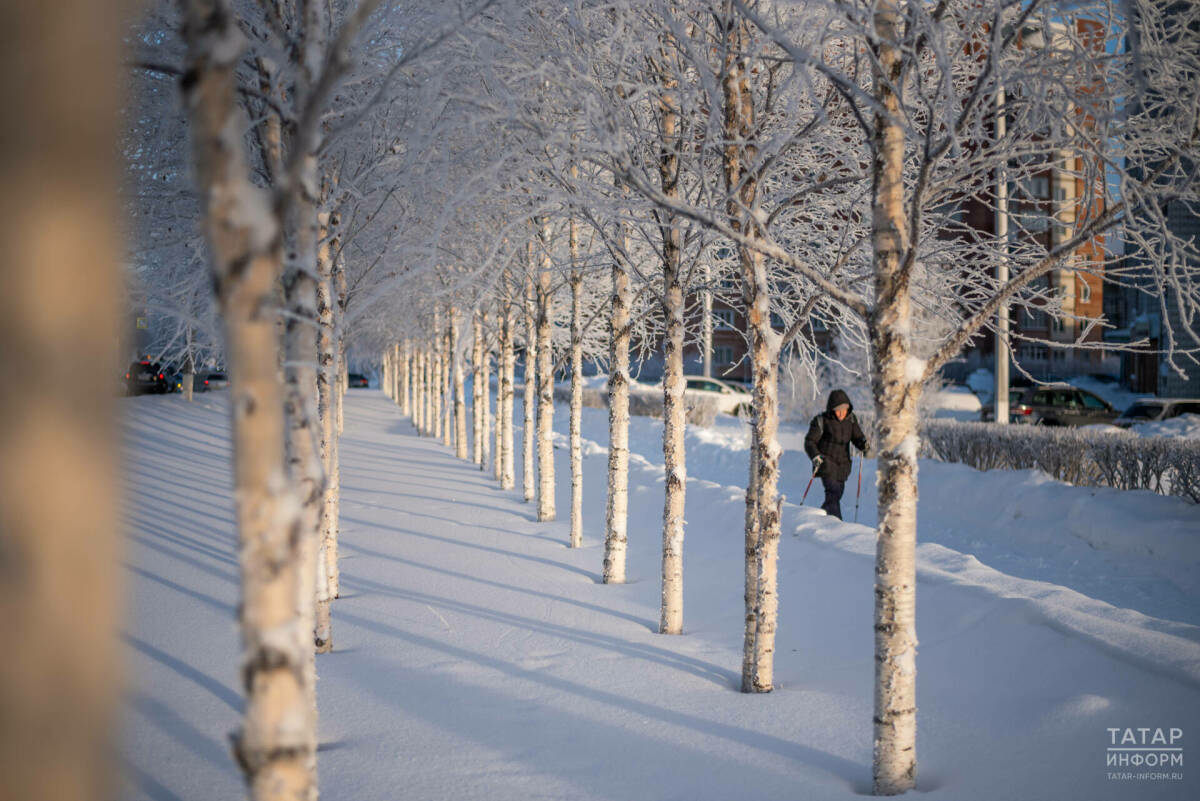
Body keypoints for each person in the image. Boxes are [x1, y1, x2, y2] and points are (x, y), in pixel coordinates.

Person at [804, 389, 870, 520]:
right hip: (826, 463)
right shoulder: (822, 420)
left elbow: (857, 437)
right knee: (832, 493)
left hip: (843, 466)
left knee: (835, 496)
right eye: (838, 410)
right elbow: (810, 441)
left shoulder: (851, 420)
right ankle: (837, 526)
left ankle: (818, 519)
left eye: (844, 410)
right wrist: (815, 456)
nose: (841, 413)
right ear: (832, 409)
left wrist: (863, 444)